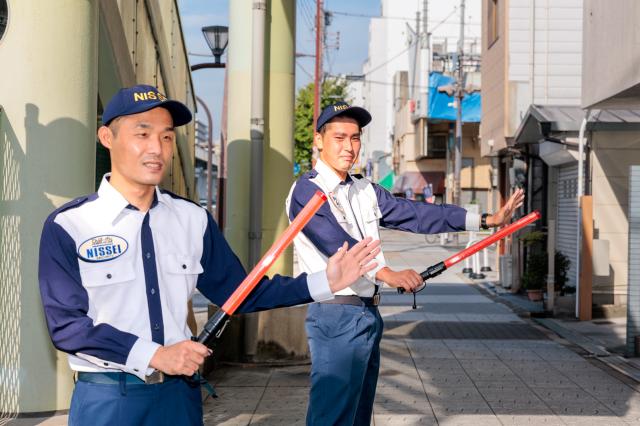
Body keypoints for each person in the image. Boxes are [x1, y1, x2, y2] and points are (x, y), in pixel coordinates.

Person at [38, 86, 380, 426]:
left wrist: (325, 281)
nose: (157, 148)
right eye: (142, 134)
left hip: (179, 399)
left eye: (167, 137)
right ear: (106, 137)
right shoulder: (69, 225)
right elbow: (68, 327)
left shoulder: (192, 218)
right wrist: (156, 355)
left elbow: (242, 292)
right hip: (107, 399)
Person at [286, 101, 525, 426]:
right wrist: (387, 273)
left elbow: (417, 213)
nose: (349, 146)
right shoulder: (306, 191)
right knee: (332, 418)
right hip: (334, 315)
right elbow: (337, 246)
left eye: (355, 138)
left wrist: (484, 218)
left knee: (358, 417)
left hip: (367, 314)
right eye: (339, 137)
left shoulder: (364, 188)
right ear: (318, 140)